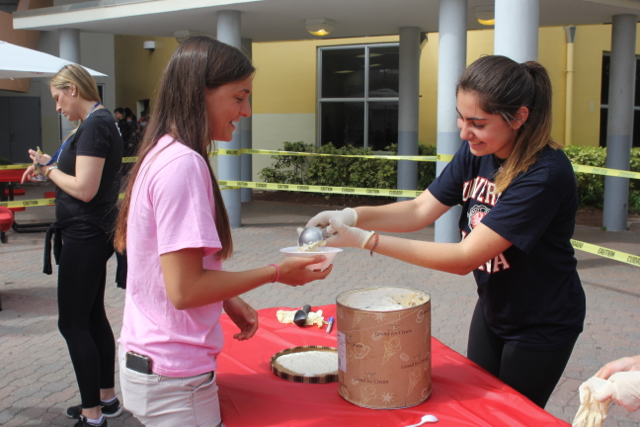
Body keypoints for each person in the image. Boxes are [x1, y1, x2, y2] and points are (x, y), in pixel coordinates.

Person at [306, 55, 585, 409]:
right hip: (494, 307)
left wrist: (365, 240)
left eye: (477, 123)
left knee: (511, 416)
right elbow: (421, 209)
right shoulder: (479, 150)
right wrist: (353, 214)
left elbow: (463, 258)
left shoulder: (544, 175)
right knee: (476, 409)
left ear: (519, 117)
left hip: (542, 321)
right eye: (461, 117)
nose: (464, 131)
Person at [113, 36, 332, 427]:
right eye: (239, 96)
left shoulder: (162, 151)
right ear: (200, 93)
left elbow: (167, 271)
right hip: (175, 377)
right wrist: (278, 272)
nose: (246, 111)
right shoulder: (182, 164)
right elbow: (185, 291)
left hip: (153, 362)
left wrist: (228, 299)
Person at [21, 64, 124, 427]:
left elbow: (84, 188)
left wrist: (50, 171)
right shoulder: (95, 123)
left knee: (72, 324)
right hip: (90, 233)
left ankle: (92, 414)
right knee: (92, 316)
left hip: (86, 236)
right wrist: (48, 163)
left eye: (57, 98)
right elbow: (82, 177)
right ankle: (106, 400)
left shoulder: (95, 126)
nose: (57, 107)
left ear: (73, 90)